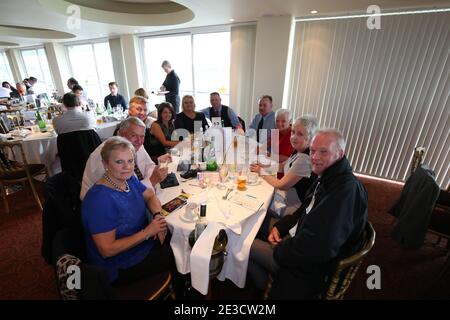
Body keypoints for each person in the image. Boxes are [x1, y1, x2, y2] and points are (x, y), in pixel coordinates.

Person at [247, 128, 368, 299]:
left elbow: (318, 248)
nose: (315, 157)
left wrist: (280, 248)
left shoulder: (344, 192)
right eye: (312, 151)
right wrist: (281, 227)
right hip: (298, 238)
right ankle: (262, 276)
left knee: (243, 244)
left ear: (340, 153)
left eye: (323, 152)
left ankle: (263, 283)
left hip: (306, 268)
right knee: (259, 219)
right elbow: (306, 208)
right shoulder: (329, 176)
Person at [81, 136, 184, 295]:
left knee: (178, 239)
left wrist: (158, 217)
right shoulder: (99, 200)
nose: (127, 167)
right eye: (119, 162)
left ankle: (180, 287)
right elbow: (107, 250)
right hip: (119, 264)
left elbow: (149, 195)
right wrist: (148, 232)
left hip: (141, 242)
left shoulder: (128, 180)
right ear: (105, 163)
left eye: (130, 161)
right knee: (180, 253)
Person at [250, 115, 318, 239]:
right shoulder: (299, 150)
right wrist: (264, 166)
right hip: (286, 198)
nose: (293, 137)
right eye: (293, 132)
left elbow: (281, 185)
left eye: (300, 134)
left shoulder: (304, 159)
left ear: (310, 137)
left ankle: (257, 235)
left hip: (293, 207)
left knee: (255, 207)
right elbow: (282, 166)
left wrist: (261, 172)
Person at [81, 116, 169, 200]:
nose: (139, 141)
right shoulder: (106, 156)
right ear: (120, 134)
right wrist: (152, 180)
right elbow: (124, 196)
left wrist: (154, 174)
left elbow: (149, 166)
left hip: (141, 195)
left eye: (142, 136)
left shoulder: (133, 144)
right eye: (133, 135)